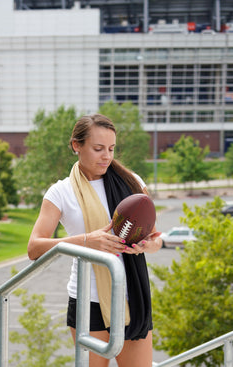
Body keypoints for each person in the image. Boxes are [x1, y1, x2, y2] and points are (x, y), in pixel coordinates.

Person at [27, 113, 162, 367]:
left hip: (132, 298)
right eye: (98, 148)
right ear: (77, 146)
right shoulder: (61, 192)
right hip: (87, 302)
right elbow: (34, 247)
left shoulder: (132, 182)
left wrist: (147, 245)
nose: (107, 156)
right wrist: (87, 241)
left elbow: (156, 238)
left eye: (111, 149)